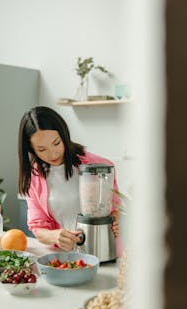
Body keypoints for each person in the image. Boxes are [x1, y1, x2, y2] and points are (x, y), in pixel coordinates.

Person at [18, 106, 120, 252]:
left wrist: (118, 221)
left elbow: (116, 210)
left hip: (105, 253)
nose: (53, 154)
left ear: (64, 135)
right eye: (42, 150)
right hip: (67, 258)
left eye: (56, 143)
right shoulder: (34, 178)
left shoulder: (101, 166)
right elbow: (38, 227)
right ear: (31, 150)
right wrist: (55, 236)